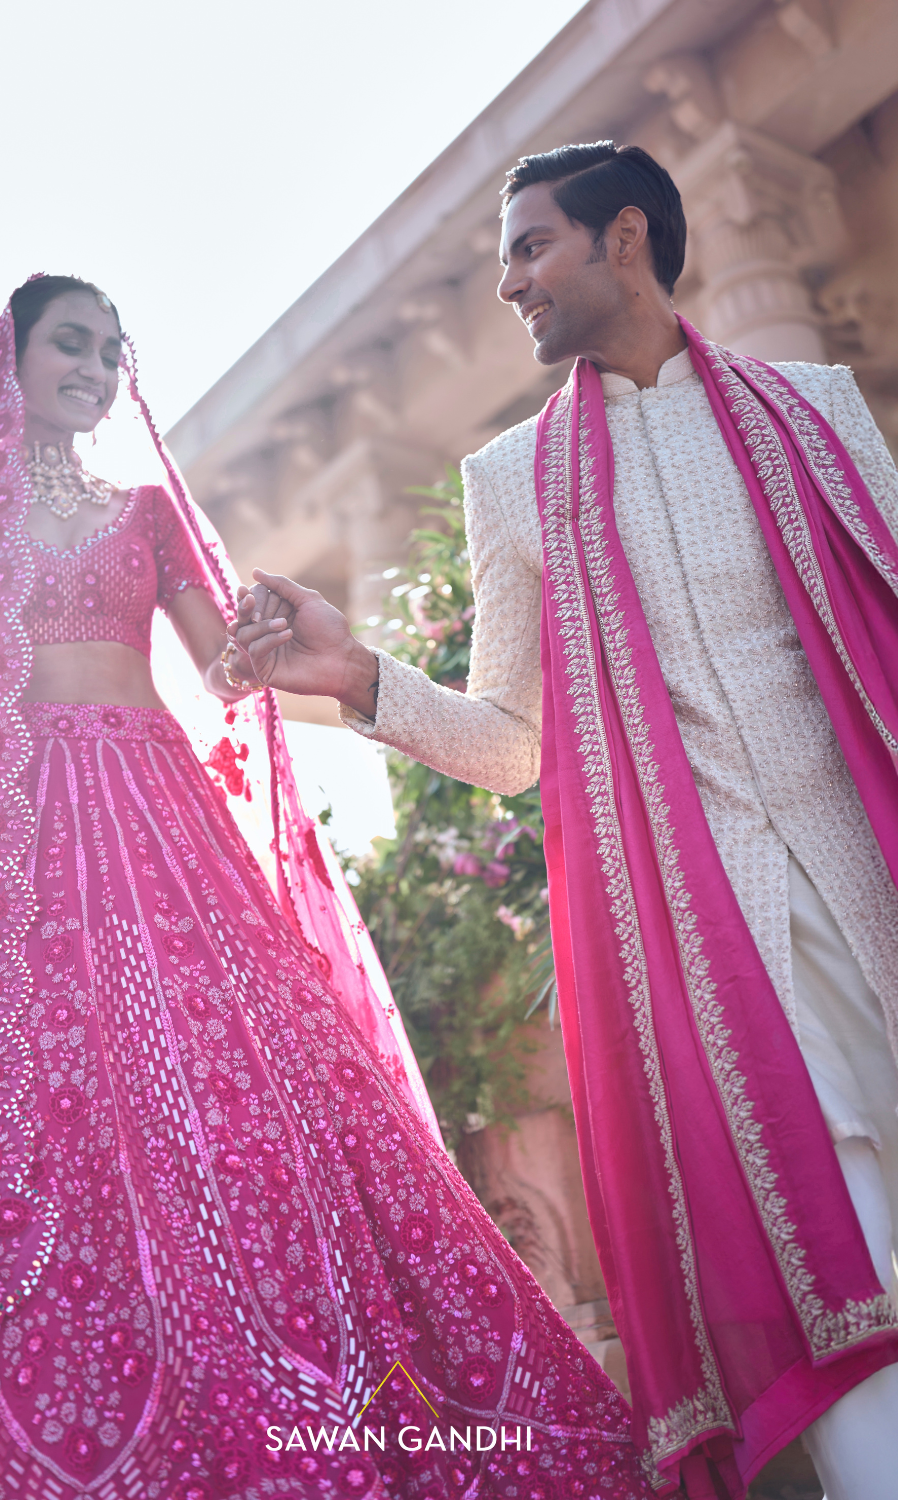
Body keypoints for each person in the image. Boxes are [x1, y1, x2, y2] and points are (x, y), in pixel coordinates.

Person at [0, 275, 652, 1500]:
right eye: (70, 344)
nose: (93, 369)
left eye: (110, 351)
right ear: (10, 357)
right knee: (50, 1095)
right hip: (8, 838)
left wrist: (265, 641)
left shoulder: (144, 510)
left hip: (156, 816)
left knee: (243, 1083)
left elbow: (222, 677)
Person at [231, 144, 898, 1500]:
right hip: (721, 944)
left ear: (624, 237)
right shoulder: (513, 479)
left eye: (530, 248)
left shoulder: (817, 406)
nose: (508, 283)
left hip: (870, 874)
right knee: (831, 1251)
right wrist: (359, 677)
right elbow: (513, 743)